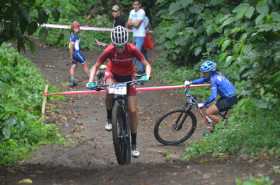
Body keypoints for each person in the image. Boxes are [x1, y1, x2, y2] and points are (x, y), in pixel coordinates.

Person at [87, 26, 152, 157]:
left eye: (122, 46)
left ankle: (133, 143)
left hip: (129, 76)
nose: (120, 49)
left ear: (126, 43)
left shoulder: (132, 49)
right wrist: (90, 80)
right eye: (117, 46)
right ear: (113, 43)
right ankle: (109, 117)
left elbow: (146, 64)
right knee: (109, 91)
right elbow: (95, 66)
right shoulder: (109, 50)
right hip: (113, 75)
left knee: (133, 111)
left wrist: (147, 75)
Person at [184, 60, 237, 132]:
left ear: (210, 72)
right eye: (203, 72)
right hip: (228, 97)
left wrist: (204, 103)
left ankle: (226, 127)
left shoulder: (214, 79)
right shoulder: (216, 74)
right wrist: (191, 82)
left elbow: (213, 96)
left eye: (205, 72)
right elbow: (203, 80)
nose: (203, 74)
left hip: (229, 99)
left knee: (208, 112)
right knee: (212, 110)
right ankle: (214, 129)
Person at [127, 0, 146, 75]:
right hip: (134, 35)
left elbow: (137, 26)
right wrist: (133, 23)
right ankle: (140, 69)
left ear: (140, 5)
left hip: (140, 35)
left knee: (136, 52)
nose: (135, 6)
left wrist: (132, 23)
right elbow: (128, 24)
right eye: (134, 4)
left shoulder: (142, 12)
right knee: (137, 52)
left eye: (137, 4)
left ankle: (140, 70)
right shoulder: (132, 12)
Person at [68, 21, 89, 87]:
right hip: (77, 53)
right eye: (76, 28)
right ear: (73, 28)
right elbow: (71, 46)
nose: (78, 29)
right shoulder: (74, 36)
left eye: (78, 27)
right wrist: (71, 56)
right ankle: (92, 79)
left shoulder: (73, 34)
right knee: (85, 64)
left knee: (74, 65)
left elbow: (70, 46)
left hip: (75, 53)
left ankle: (72, 80)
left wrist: (71, 56)